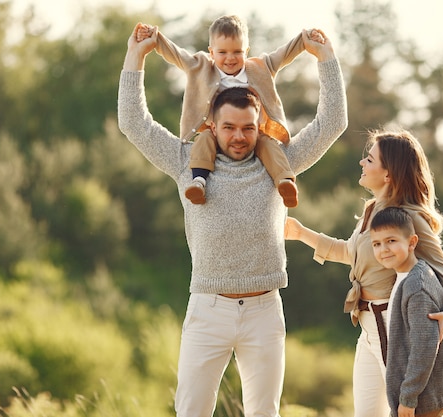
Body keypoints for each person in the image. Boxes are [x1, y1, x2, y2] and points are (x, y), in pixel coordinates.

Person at [118, 22, 347, 417]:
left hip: (263, 312)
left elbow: (332, 123)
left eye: (248, 128)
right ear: (212, 124)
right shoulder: (185, 163)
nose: (239, 137)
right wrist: (135, 56)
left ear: (260, 127)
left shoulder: (281, 164)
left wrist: (325, 58)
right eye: (229, 128)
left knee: (263, 413)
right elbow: (133, 122)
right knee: (191, 410)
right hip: (208, 309)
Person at [284, 129, 443, 417]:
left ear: (389, 173)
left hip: (391, 326)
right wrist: (301, 233)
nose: (361, 163)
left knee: (403, 411)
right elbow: (350, 253)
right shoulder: (371, 210)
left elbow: (442, 268)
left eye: (369, 159)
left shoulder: (407, 215)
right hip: (367, 326)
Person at [135, 15, 326, 207]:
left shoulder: (259, 68)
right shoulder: (200, 67)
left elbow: (284, 54)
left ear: (247, 51)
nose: (230, 58)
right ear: (211, 52)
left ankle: (284, 182)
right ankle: (199, 182)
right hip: (214, 131)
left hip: (251, 133)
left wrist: (305, 39)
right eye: (222, 52)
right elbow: (176, 54)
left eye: (237, 52)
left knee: (268, 145)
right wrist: (154, 38)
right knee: (203, 141)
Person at [370, 206, 443, 417]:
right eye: (377, 244)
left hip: (424, 396)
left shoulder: (418, 287)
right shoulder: (405, 277)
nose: (383, 249)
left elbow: (423, 347)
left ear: (412, 242)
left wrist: (408, 398)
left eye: (391, 241)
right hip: (420, 394)